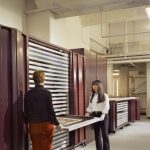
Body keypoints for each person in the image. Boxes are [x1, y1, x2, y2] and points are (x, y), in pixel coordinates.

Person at [24, 70, 61, 150]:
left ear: (34, 80)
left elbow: (26, 111)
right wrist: (57, 123)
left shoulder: (28, 94)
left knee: (36, 147)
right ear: (43, 79)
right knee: (47, 147)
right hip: (46, 125)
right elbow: (51, 110)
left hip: (33, 125)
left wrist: (27, 121)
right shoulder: (47, 93)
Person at [86, 80, 110, 150]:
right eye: (93, 85)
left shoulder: (105, 95)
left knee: (105, 134)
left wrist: (103, 114)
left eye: (96, 85)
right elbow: (90, 106)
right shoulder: (92, 96)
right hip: (95, 115)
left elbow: (106, 106)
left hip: (103, 115)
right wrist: (88, 112)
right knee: (97, 135)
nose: (94, 87)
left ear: (100, 86)